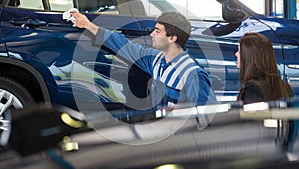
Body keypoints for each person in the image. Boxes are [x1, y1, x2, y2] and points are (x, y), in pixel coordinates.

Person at [70, 11, 217, 109]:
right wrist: (88, 25)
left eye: (157, 31)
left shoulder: (192, 74)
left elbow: (205, 117)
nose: (152, 34)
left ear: (172, 38)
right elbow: (124, 46)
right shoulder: (155, 60)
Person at [235, 32, 293, 104]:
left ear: (250, 57)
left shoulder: (252, 89)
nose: (236, 54)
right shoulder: (286, 87)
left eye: (240, 52)